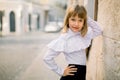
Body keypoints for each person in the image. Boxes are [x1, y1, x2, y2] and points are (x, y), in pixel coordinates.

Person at [43, 4, 102, 80]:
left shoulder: (83, 35)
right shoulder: (64, 38)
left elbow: (99, 30)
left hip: (81, 73)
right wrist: (61, 71)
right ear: (68, 20)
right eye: (73, 19)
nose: (76, 24)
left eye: (80, 20)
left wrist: (86, 18)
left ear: (84, 22)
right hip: (72, 75)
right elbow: (47, 58)